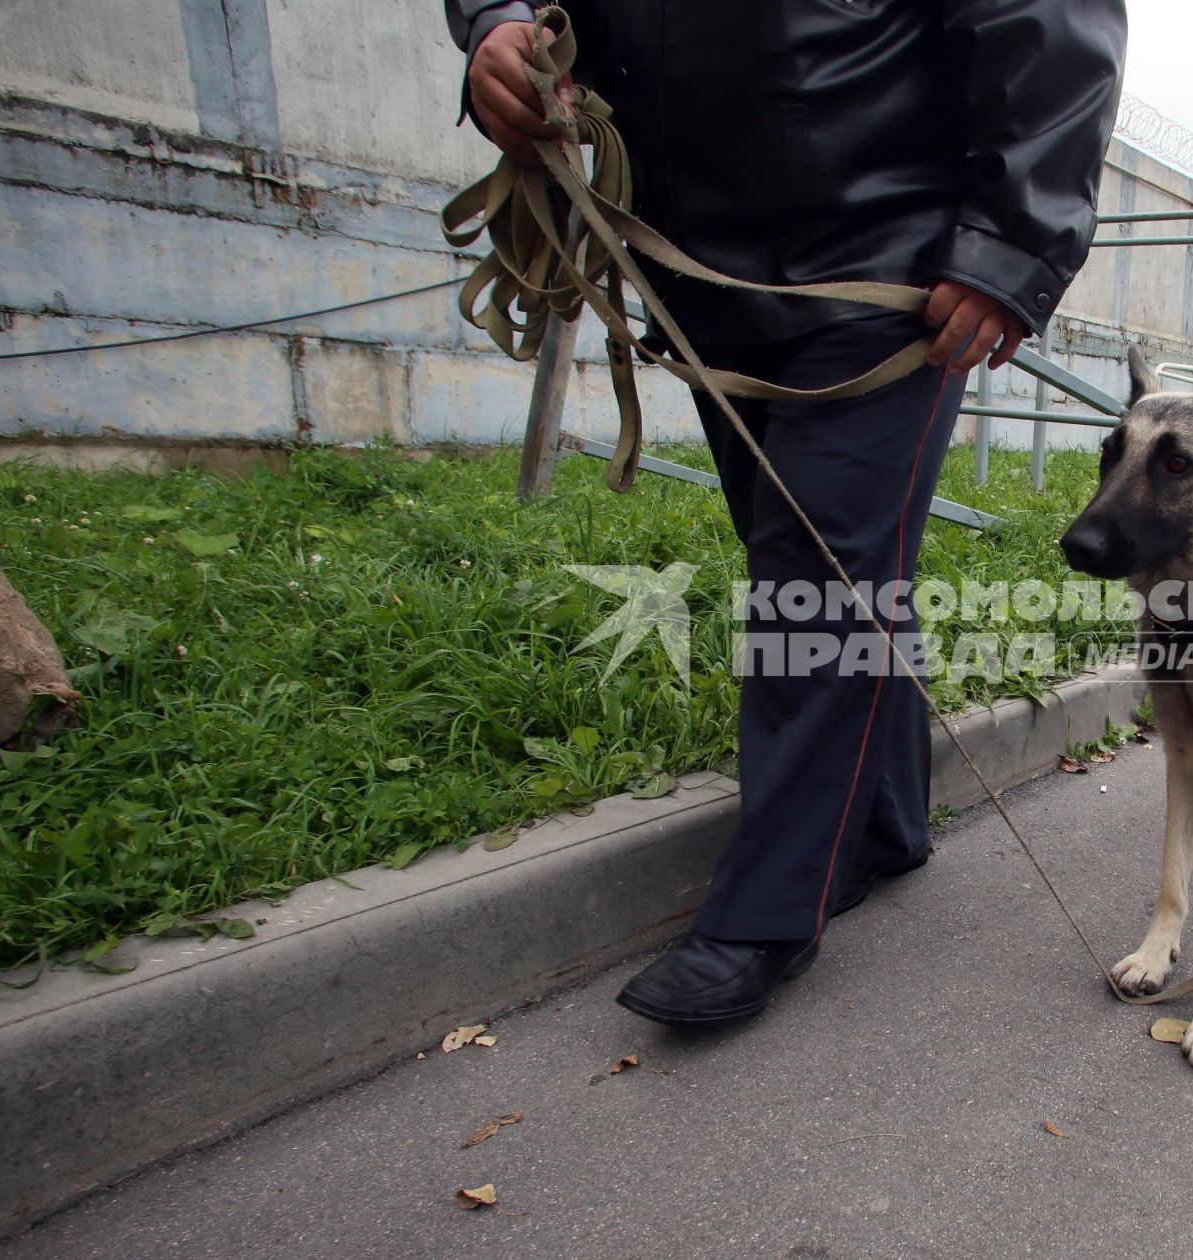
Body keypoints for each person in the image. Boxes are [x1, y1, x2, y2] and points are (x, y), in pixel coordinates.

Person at [445, 0, 1126, 1026]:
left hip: (889, 270)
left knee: (815, 578)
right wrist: (495, 21)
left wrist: (1014, 244)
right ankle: (885, 822)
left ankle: (764, 914)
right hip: (703, 269)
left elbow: (1049, 21)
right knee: (828, 565)